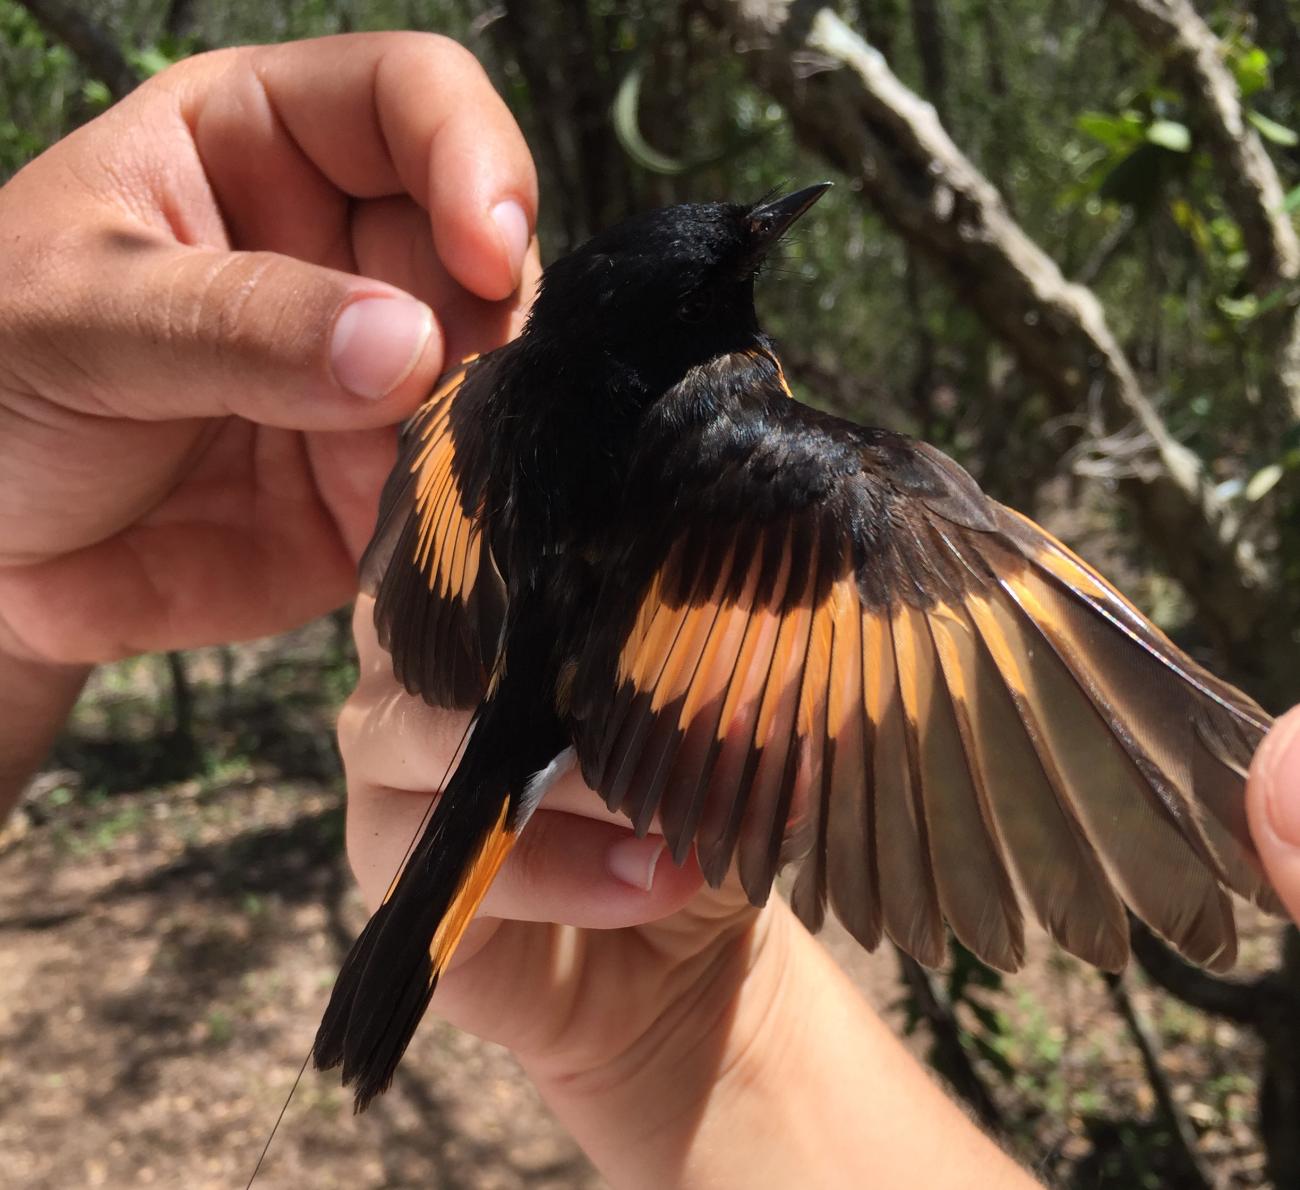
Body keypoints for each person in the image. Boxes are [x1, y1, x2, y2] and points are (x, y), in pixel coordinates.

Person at [1, 31, 1296, 1188]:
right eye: (726, 263)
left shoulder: (485, 392)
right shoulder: (770, 464)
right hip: (583, 694)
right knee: (916, 522)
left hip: (532, 683)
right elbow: (944, 652)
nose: (759, 245)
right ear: (684, 323)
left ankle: (415, 940)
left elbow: (431, 518)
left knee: (502, 769)